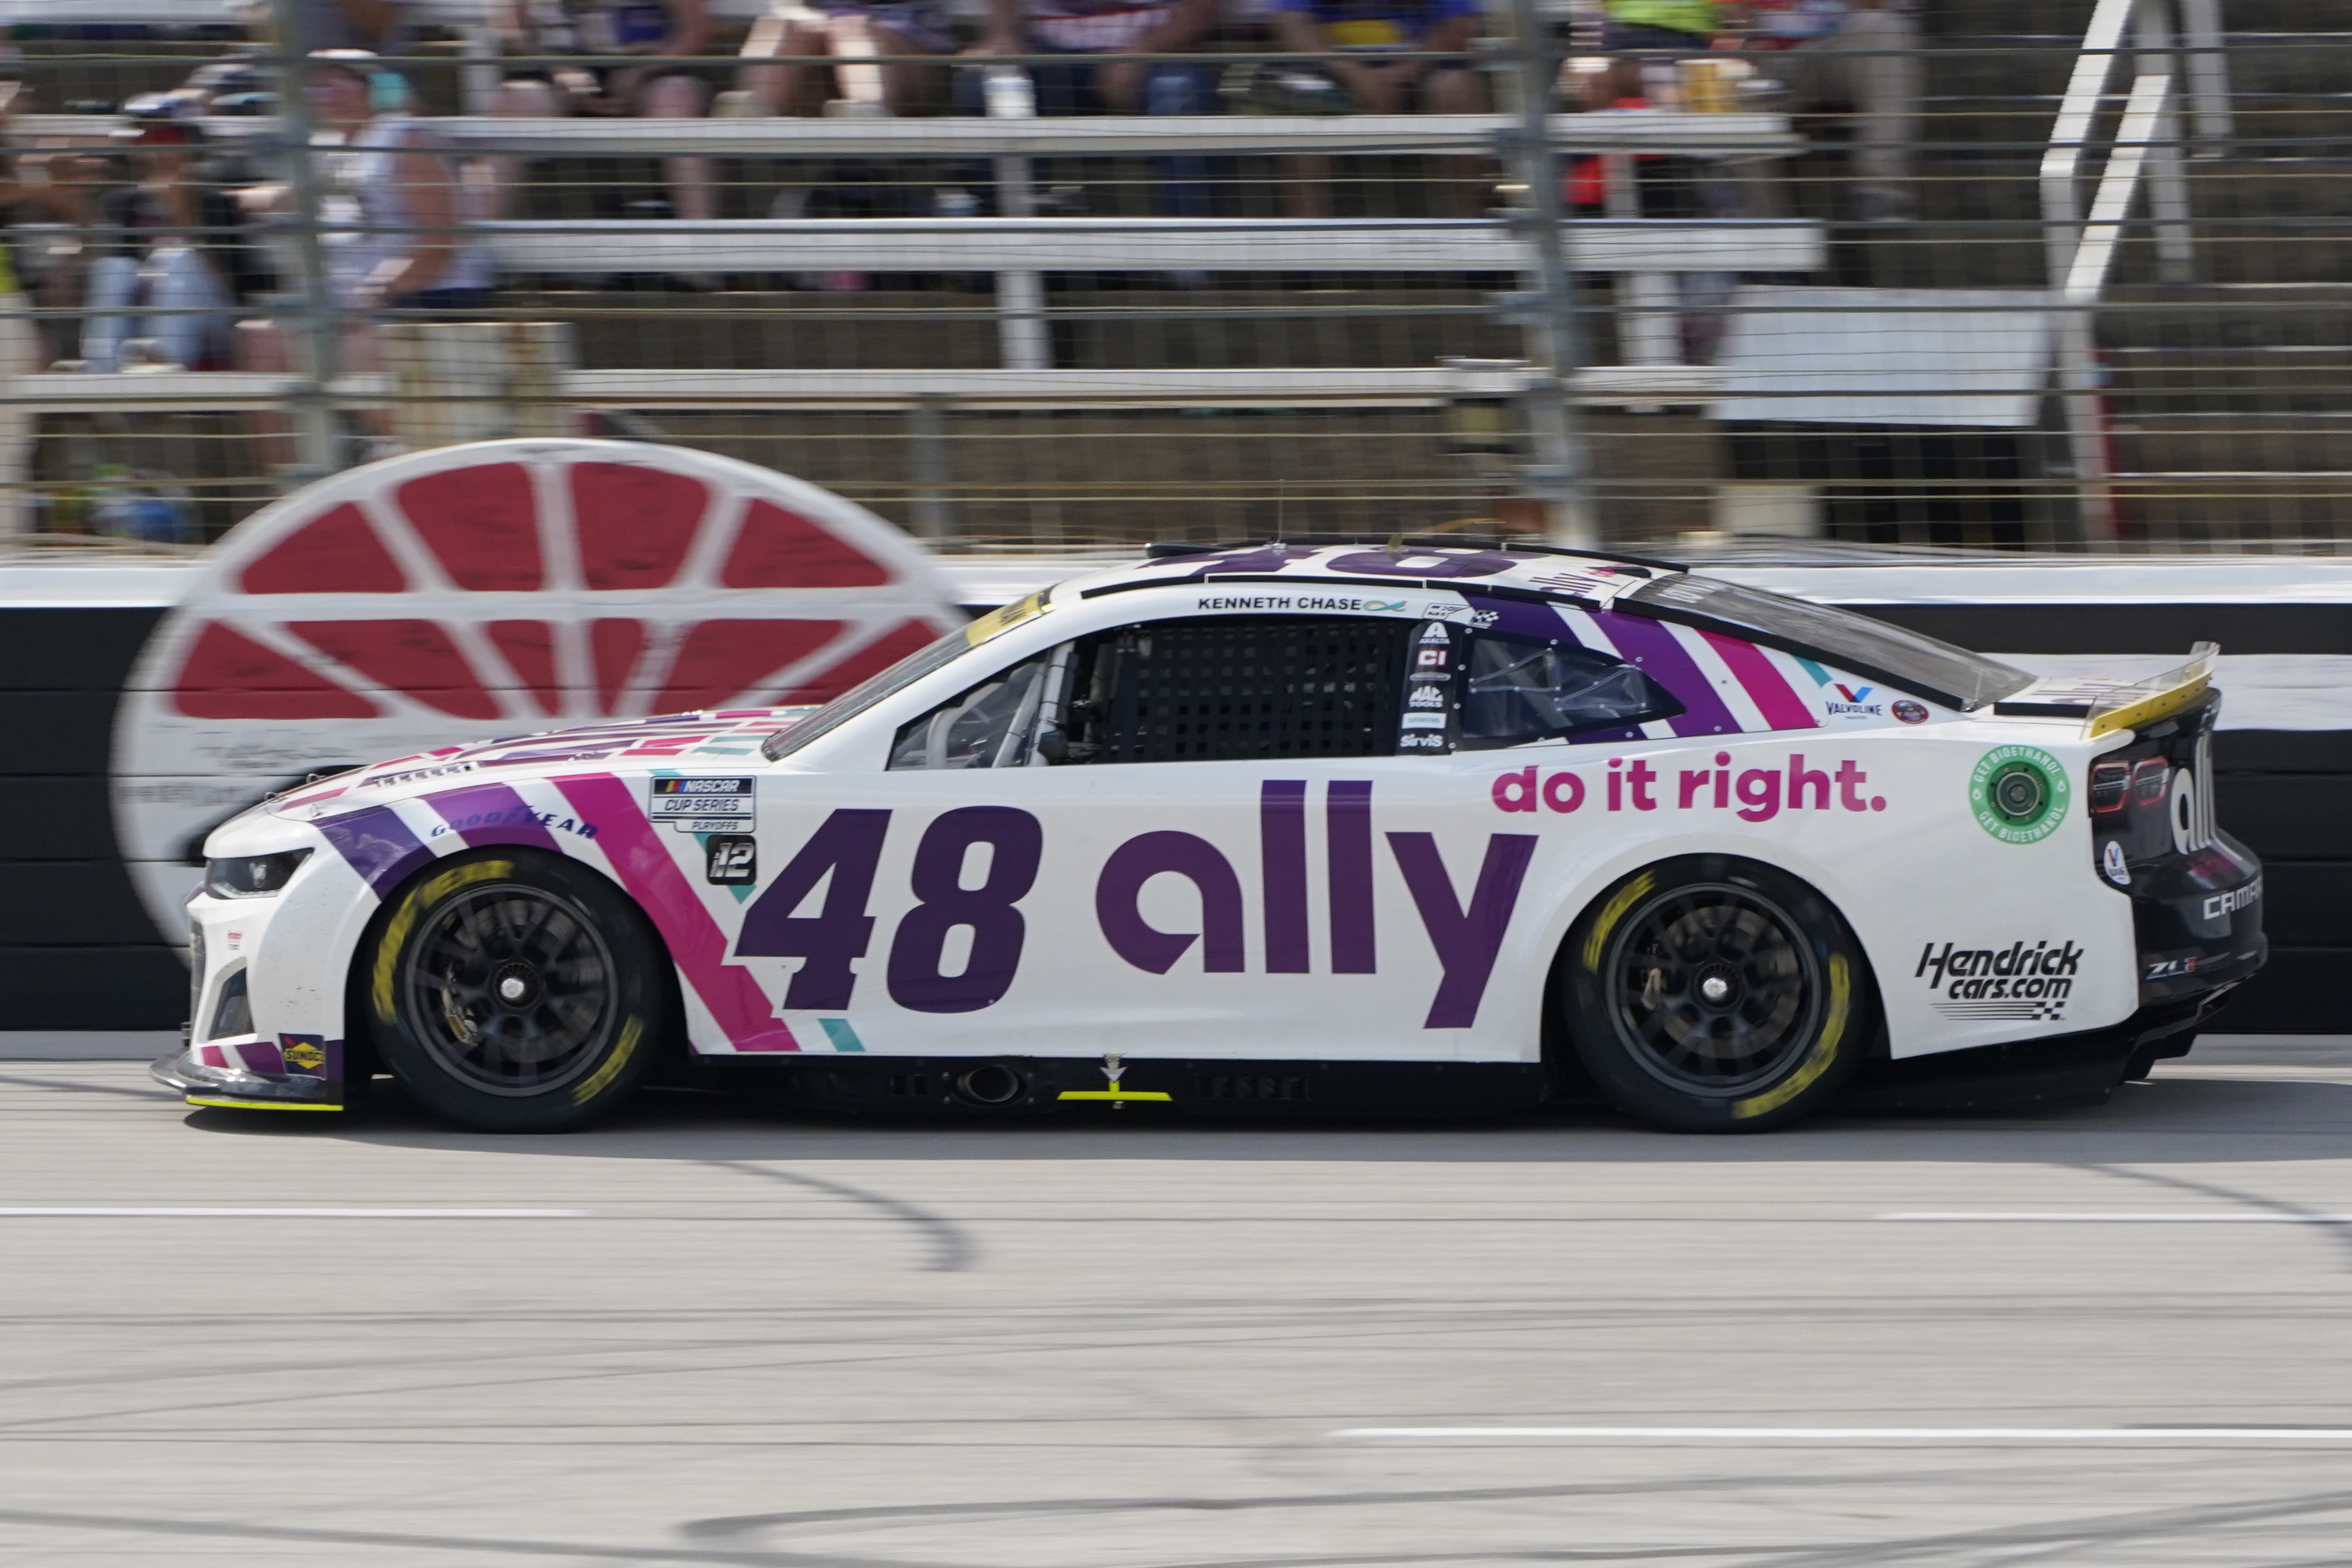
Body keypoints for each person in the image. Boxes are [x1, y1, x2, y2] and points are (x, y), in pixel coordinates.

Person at [240, 51, 496, 461]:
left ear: (380, 90)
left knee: (356, 345)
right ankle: (290, 488)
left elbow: (439, 239)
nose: (326, 92)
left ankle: (404, 459)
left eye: (342, 80)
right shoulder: (327, 146)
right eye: (318, 83)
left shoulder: (406, 140)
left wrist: (376, 291)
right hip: (352, 301)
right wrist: (230, 199)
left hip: (421, 294)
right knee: (262, 339)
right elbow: (286, 195)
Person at [955, 0, 1222, 221]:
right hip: (1051, 53)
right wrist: (1002, 36)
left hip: (1157, 55)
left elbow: (1205, 8)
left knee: (1180, 93)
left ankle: (1187, 262)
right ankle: (1004, 253)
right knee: (987, 85)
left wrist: (1139, 52)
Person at [79, 91, 276, 373]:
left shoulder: (213, 200)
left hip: (214, 319)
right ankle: (100, 368)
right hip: (142, 316)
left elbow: (234, 284)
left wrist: (182, 214)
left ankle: (165, 362)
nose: (157, 151)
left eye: (167, 139)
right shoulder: (123, 203)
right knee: (113, 267)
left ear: (190, 144)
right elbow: (119, 269)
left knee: (178, 258)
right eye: (146, 140)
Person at [491, 0, 718, 241]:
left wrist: (641, 71)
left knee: (676, 100)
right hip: (555, 74)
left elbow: (697, 29)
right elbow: (510, 27)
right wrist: (557, 69)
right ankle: (471, 256)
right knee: (513, 107)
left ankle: (700, 255)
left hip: (654, 71)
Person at [1266, 0, 1488, 218]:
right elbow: (1292, 24)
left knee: (1457, 88)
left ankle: (1469, 229)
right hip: (1330, 67)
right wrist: (1356, 75)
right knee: (1301, 105)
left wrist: (1405, 72)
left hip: (1422, 64)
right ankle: (1306, 241)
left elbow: (1459, 25)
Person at [738, 0, 955, 118]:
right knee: (782, 26)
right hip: (822, 60)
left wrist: (840, 24)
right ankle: (750, 113)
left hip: (912, 57)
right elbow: (788, 7)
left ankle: (868, 113)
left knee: (853, 30)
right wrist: (821, 22)